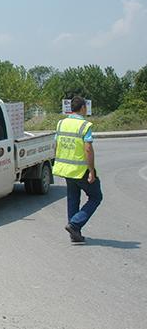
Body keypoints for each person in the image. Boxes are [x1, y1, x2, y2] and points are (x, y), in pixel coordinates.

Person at [53, 96, 103, 243]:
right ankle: (74, 224)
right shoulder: (84, 125)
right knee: (96, 197)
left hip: (66, 169)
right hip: (81, 170)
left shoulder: (61, 123)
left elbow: (56, 145)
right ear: (82, 108)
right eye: (85, 107)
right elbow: (88, 149)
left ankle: (74, 233)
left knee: (73, 199)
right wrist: (92, 171)